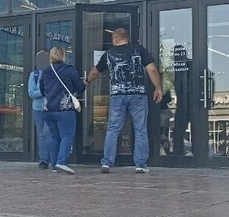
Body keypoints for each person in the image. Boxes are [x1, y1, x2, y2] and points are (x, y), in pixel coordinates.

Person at [84, 27, 163, 173]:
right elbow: (152, 69)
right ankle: (140, 165)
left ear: (115, 38)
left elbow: (95, 71)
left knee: (113, 129)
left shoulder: (109, 54)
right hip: (138, 95)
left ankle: (107, 163)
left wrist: (87, 80)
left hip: (117, 95)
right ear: (126, 37)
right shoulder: (139, 49)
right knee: (140, 130)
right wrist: (158, 88)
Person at [39, 46, 85, 175]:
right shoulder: (69, 70)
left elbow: (42, 90)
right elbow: (80, 88)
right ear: (63, 55)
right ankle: (62, 162)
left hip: (48, 109)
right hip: (65, 109)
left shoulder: (45, 71)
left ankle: (54, 165)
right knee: (67, 135)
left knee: (55, 137)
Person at [28, 50, 51, 169]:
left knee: (49, 133)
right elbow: (31, 93)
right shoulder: (34, 75)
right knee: (41, 134)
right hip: (38, 109)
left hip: (51, 107)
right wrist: (43, 92)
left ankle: (53, 158)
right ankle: (43, 160)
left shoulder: (53, 73)